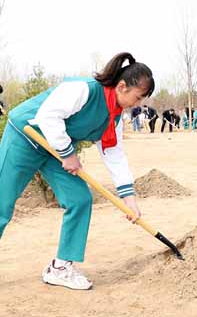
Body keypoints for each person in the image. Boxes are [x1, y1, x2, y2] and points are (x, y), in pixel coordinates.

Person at [0, 52, 153, 290]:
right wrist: (68, 154)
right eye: (138, 97)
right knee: (2, 204)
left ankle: (60, 268)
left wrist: (129, 199)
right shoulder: (84, 90)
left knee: (80, 199)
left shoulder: (114, 119)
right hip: (25, 137)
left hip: (55, 151)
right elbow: (48, 117)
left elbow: (114, 155)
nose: (139, 104)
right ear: (122, 87)